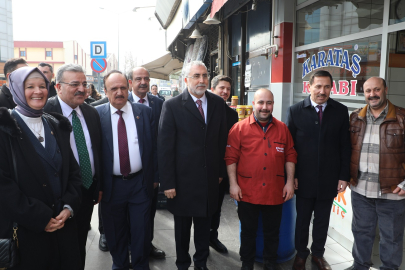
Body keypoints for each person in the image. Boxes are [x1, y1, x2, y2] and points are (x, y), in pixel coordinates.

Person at [0, 66, 82, 269]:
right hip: (28, 234)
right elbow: (3, 186)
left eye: (42, 86)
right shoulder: (4, 129)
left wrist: (68, 206)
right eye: (30, 86)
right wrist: (40, 217)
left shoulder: (55, 124)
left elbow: (73, 173)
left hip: (64, 229)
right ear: (17, 89)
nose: (38, 91)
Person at [158, 61, 227, 270]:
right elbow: (165, 146)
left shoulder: (217, 103)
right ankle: (182, 263)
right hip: (182, 182)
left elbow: (223, 141)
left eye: (205, 76)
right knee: (182, 229)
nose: (202, 80)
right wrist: (168, 182)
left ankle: (200, 263)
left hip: (208, 181)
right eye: (196, 76)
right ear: (186, 80)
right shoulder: (172, 105)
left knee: (204, 226)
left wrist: (221, 172)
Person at [226, 88, 297, 270]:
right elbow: (231, 158)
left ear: (273, 104)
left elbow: (290, 156)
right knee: (248, 232)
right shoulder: (239, 128)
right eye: (261, 103)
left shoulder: (282, 129)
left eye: (269, 103)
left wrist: (289, 182)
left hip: (275, 191)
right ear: (253, 104)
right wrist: (233, 185)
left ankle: (270, 263)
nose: (265, 107)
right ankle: (247, 264)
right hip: (247, 191)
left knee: (273, 233)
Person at [287, 70, 351, 270]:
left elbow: (345, 146)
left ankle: (318, 255)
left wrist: (343, 176)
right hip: (303, 179)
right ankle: (301, 254)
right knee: (302, 220)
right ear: (309, 87)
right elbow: (290, 148)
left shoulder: (340, 111)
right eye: (318, 86)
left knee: (322, 220)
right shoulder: (295, 110)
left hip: (329, 179)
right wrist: (293, 176)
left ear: (331, 88)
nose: (322, 91)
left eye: (326, 87)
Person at [43, 64, 103, 270]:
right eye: (74, 84)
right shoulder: (44, 112)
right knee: (58, 250)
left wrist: (98, 185)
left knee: (79, 246)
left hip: (85, 192)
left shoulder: (91, 112)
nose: (82, 89)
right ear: (58, 87)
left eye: (85, 84)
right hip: (56, 198)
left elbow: (98, 150)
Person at [96, 70, 157, 270]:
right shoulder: (96, 115)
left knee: (141, 232)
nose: (119, 92)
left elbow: (155, 147)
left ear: (129, 86)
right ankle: (120, 265)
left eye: (123, 87)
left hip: (139, 184)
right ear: (105, 91)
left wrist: (155, 178)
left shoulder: (145, 113)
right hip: (111, 186)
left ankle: (141, 266)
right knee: (115, 233)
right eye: (114, 89)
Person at [346, 77, 405, 270]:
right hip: (361, 190)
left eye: (377, 90)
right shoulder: (355, 118)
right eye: (368, 91)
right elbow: (347, 149)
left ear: (385, 89)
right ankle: (359, 266)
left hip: (392, 191)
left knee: (391, 238)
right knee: (361, 233)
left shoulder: (402, 117)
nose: (372, 94)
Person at [128, 67, 165, 258]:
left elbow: (162, 140)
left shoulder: (159, 103)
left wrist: (157, 174)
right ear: (130, 82)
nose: (143, 82)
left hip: (150, 171)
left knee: (149, 212)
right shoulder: (120, 102)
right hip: (126, 171)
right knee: (128, 216)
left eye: (146, 78)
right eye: (138, 78)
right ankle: (129, 249)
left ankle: (146, 245)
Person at [209, 75, 238, 254]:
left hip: (222, 168)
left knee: (217, 206)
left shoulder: (232, 114)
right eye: (221, 88)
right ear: (212, 89)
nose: (225, 92)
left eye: (228, 89)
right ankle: (201, 239)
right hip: (201, 168)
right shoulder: (203, 109)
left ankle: (213, 236)